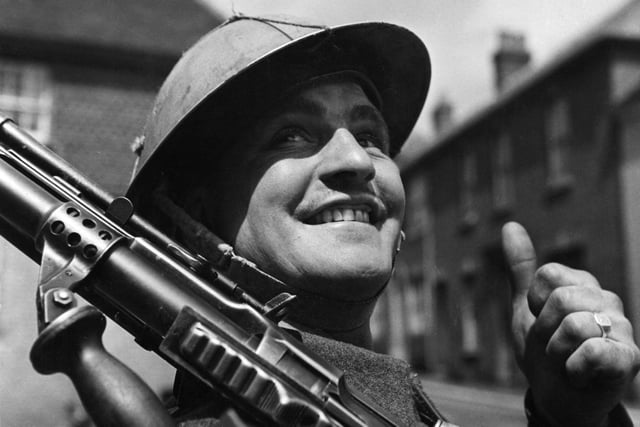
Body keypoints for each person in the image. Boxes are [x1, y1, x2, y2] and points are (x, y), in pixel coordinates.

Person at [127, 15, 640, 426]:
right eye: (289, 135)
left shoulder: (394, 401)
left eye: (370, 135)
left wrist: (569, 416)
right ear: (193, 215)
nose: (355, 160)